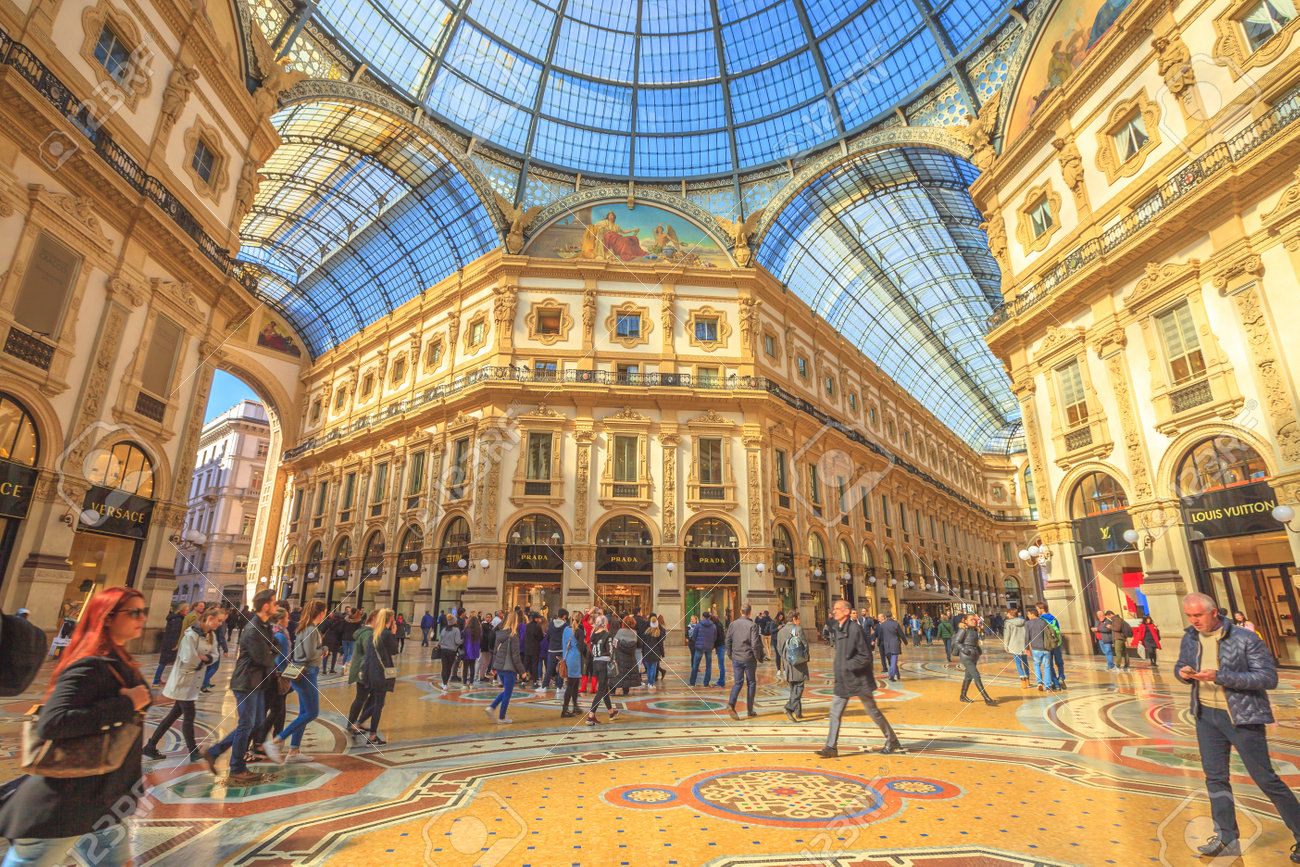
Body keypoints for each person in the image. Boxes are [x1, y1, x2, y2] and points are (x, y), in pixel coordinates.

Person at [0, 587, 152, 867]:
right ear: (107, 617)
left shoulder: (119, 660)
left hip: (103, 797)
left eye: (144, 612)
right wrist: (125, 705)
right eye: (134, 612)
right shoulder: (89, 665)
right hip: (66, 804)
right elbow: (52, 723)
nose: (141, 618)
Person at [1176, 593, 1300, 862]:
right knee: (1215, 778)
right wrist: (1183, 673)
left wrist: (1220, 676)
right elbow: (1179, 665)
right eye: (1189, 615)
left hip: (1243, 718)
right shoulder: (1190, 637)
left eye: (1197, 615)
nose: (1193, 620)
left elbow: (1268, 677)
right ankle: (1225, 836)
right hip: (1206, 716)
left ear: (1214, 613)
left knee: (1266, 778)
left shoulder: (1245, 638)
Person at [201, 590, 276, 781]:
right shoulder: (253, 629)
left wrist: (273, 652)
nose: (276, 607)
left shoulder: (264, 626)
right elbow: (263, 657)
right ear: (266, 606)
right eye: (274, 603)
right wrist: (273, 655)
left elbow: (275, 647)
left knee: (257, 723)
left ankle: (215, 751)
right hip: (246, 682)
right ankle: (236, 769)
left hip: (256, 682)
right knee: (246, 725)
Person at [816, 598, 902, 758]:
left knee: (872, 711)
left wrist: (847, 666)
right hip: (844, 680)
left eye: (838, 608)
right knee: (835, 711)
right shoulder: (840, 628)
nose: (834, 611)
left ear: (847, 612)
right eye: (833, 608)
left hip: (859, 679)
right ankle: (831, 747)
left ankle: (892, 740)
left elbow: (865, 656)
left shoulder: (855, 629)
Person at [270, 599, 326, 764]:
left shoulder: (304, 628)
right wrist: (324, 649)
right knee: (312, 712)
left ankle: (294, 751)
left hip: (301, 672)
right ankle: (277, 740)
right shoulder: (311, 629)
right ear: (321, 613)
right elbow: (310, 654)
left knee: (304, 712)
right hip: (307, 672)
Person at [358, 608, 399, 745]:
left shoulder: (374, 633)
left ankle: (359, 722)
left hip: (371, 672)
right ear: (390, 620)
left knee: (377, 701)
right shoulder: (386, 634)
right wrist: (393, 634)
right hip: (381, 674)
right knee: (379, 704)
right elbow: (394, 650)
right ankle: (372, 736)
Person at [725, 604, 765, 720]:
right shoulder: (752, 625)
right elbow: (755, 644)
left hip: (736, 658)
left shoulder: (733, 624)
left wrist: (731, 654)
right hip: (749, 658)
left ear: (740, 611)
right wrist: (759, 657)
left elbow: (727, 640)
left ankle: (731, 704)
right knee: (751, 683)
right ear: (750, 612)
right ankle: (750, 710)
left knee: (738, 682)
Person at [487, 610, 524, 724]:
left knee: (507, 690)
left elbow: (495, 652)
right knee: (508, 692)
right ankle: (501, 717)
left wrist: (493, 666)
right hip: (509, 668)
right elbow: (515, 656)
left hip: (500, 667)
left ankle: (492, 708)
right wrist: (522, 671)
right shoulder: (514, 636)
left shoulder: (500, 633)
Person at [346, 610, 377, 740]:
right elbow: (368, 651)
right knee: (362, 697)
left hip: (365, 669)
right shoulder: (368, 634)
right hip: (364, 670)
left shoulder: (367, 632)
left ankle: (360, 720)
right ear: (374, 619)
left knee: (370, 696)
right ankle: (352, 723)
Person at [954, 614, 998, 705]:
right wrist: (963, 649)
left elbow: (974, 641)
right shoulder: (963, 629)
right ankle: (986, 698)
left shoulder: (974, 630)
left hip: (974, 654)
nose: (974, 621)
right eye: (971, 620)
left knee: (968, 676)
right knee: (976, 675)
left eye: (974, 619)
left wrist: (978, 648)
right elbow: (957, 641)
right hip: (966, 656)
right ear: (965, 621)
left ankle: (963, 695)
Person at [775, 610, 809, 722]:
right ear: (794, 619)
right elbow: (804, 645)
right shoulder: (798, 629)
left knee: (793, 687)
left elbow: (779, 649)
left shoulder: (780, 631)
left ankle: (798, 712)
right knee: (799, 686)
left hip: (787, 664)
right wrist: (806, 657)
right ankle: (789, 708)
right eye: (798, 619)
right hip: (798, 662)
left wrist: (786, 659)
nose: (799, 621)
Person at [586, 615, 619, 725]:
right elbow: (610, 650)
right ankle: (591, 715)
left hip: (596, 663)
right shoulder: (607, 635)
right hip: (604, 663)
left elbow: (591, 649)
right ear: (605, 623)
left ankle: (611, 712)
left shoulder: (593, 635)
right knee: (601, 690)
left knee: (604, 688)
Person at [153, 602, 188, 685]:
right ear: (181, 610)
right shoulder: (178, 620)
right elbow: (174, 633)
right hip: (171, 644)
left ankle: (157, 680)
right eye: (186, 610)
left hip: (168, 643)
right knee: (165, 662)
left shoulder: (174, 618)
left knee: (164, 662)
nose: (187, 611)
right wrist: (175, 645)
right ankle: (157, 680)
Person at [561, 612, 586, 717]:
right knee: (571, 685)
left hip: (567, 658)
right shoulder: (579, 632)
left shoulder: (566, 629)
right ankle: (564, 710)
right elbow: (581, 648)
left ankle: (575, 706)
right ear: (580, 620)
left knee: (574, 684)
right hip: (575, 659)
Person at [198, 608, 228, 693]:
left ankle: (204, 684)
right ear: (210, 618)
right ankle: (204, 684)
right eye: (219, 621)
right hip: (185, 685)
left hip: (194, 685)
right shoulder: (192, 634)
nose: (220, 624)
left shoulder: (212, 635)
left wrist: (207, 658)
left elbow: (215, 655)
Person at [1037, 602, 1066, 688]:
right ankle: (1061, 677)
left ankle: (1056, 683)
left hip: (1047, 644)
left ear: (1042, 609)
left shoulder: (1041, 619)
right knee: (1059, 662)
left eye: (1038, 609)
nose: (1037, 611)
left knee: (1049, 664)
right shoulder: (1053, 618)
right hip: (1057, 642)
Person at [1025, 607, 1054, 692]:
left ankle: (1039, 683)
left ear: (1032, 614)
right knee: (1047, 666)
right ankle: (1048, 686)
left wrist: (1027, 648)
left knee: (1037, 665)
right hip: (1046, 647)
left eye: (1028, 614)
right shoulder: (1044, 622)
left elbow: (1027, 637)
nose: (1028, 616)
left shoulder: (1028, 624)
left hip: (1035, 648)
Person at [1002, 607, 1032, 688]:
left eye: (1008, 613)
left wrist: (1006, 646)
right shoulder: (1024, 621)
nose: (1007, 614)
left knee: (1018, 662)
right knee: (1025, 662)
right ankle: (1028, 680)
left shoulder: (1008, 623)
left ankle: (1022, 681)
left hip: (1014, 644)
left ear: (1011, 614)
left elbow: (1007, 635)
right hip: (1024, 644)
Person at [612, 615, 641, 696]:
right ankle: (625, 691)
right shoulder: (634, 634)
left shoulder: (619, 632)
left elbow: (614, 644)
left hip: (619, 657)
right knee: (627, 676)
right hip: (630, 659)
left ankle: (612, 691)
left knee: (616, 674)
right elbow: (640, 644)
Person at [542, 608, 568, 694]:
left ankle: (544, 685)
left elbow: (548, 637)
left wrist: (551, 644)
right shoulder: (565, 626)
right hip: (561, 649)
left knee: (549, 669)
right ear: (564, 616)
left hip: (552, 649)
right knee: (561, 668)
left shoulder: (551, 624)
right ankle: (559, 687)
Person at [689, 612, 717, 686]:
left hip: (699, 647)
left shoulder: (698, 625)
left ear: (703, 617)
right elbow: (715, 637)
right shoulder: (713, 626)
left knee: (695, 665)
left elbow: (694, 636)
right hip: (709, 647)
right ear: (709, 617)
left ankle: (692, 682)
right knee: (708, 665)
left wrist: (697, 642)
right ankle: (706, 683)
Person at [875, 612, 904, 682]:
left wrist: (878, 642)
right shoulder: (895, 624)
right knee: (893, 660)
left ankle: (897, 674)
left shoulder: (882, 625)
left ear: (885, 617)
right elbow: (901, 634)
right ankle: (891, 676)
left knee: (892, 660)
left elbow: (880, 635)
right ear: (891, 616)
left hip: (886, 645)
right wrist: (905, 642)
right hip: (894, 644)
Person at [437, 613, 463, 690]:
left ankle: (444, 682)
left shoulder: (444, 629)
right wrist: (463, 640)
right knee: (449, 667)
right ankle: (446, 682)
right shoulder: (456, 630)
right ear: (454, 622)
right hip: (452, 651)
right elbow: (457, 641)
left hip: (443, 650)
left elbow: (440, 641)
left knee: (444, 667)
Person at [642, 615, 666, 690]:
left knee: (649, 669)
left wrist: (643, 652)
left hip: (647, 652)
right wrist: (662, 653)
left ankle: (649, 682)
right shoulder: (658, 633)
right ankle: (651, 683)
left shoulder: (646, 632)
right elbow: (660, 645)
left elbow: (643, 643)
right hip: (655, 652)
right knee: (653, 668)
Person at [523, 613, 545, 687]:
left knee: (525, 665)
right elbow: (541, 637)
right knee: (534, 665)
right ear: (536, 618)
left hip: (527, 648)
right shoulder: (537, 627)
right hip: (535, 649)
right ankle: (535, 682)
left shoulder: (527, 626)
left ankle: (523, 681)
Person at [321, 609, 344, 674]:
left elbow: (323, 630)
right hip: (336, 640)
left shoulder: (327, 621)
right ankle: (332, 669)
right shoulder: (342, 623)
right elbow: (341, 633)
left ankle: (324, 670)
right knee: (334, 655)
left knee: (325, 655)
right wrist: (341, 643)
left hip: (327, 639)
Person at [461, 615, 481, 685]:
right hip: (475, 650)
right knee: (472, 666)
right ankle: (471, 682)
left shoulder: (466, 630)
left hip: (466, 650)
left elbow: (461, 635)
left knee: (465, 667)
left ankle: (464, 682)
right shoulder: (479, 631)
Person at [711, 612, 727, 687]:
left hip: (720, 646)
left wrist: (714, 645)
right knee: (721, 664)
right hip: (721, 645)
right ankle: (721, 681)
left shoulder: (716, 626)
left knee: (721, 665)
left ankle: (721, 682)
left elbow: (718, 637)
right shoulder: (719, 625)